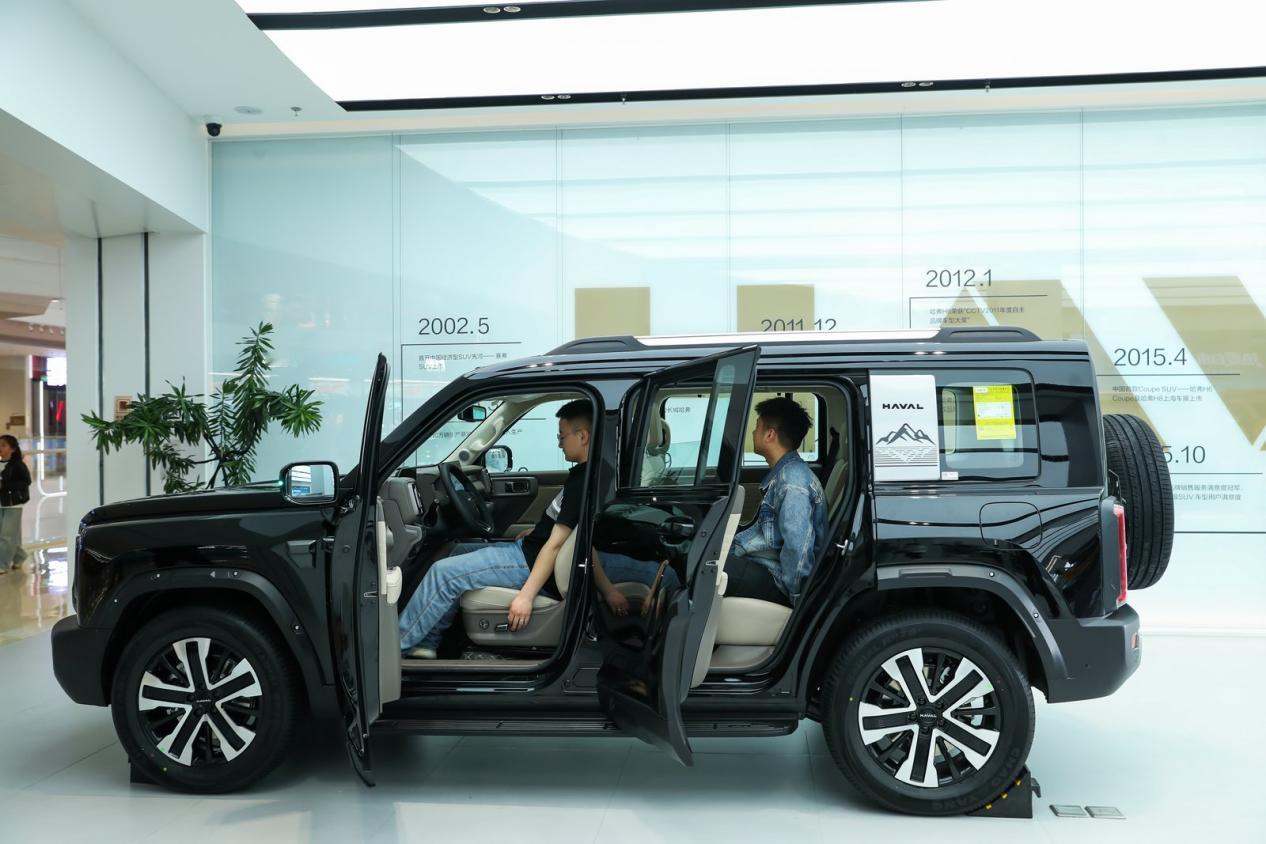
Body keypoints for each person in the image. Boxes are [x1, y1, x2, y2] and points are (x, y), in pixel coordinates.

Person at [399, 400, 598, 658]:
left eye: (562, 436)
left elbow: (556, 545)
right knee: (452, 551)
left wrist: (526, 596)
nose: (559, 443)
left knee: (443, 574)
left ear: (582, 437)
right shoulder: (585, 474)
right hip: (530, 550)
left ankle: (397, 649)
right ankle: (426, 644)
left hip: (529, 561)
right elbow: (575, 533)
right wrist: (537, 532)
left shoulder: (583, 482)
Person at [725, 397, 827, 607]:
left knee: (702, 566)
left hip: (775, 578)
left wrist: (796, 603)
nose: (753, 433)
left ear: (770, 434)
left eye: (757, 427)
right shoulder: (784, 475)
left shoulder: (793, 484)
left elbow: (798, 551)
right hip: (763, 564)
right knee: (707, 558)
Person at [0, 435, 31, 575]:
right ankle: (20, 556)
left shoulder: (18, 465)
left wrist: (4, 485)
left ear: (12, 449)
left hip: (13, 504)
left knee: (7, 536)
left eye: (3, 445)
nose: (0, 448)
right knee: (6, 535)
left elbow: (26, 482)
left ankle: (3, 564)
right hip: (1, 503)